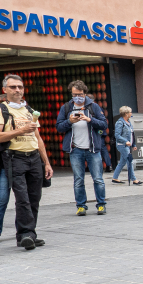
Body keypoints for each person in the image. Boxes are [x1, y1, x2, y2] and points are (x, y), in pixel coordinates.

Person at [0, 74, 53, 249]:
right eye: (13, 87)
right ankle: (25, 235)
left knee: (34, 198)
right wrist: (21, 130)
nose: (17, 90)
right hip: (14, 157)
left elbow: (38, 138)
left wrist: (46, 162)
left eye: (20, 87)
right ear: (4, 90)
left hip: (33, 157)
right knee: (22, 198)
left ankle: (29, 233)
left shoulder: (29, 110)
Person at [56, 80, 108, 215]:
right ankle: (81, 206)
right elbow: (59, 127)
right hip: (75, 149)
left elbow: (104, 124)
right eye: (74, 94)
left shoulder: (94, 107)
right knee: (78, 179)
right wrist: (69, 121)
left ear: (85, 94)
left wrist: (89, 119)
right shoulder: (66, 108)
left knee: (98, 179)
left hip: (93, 149)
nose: (77, 97)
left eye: (80, 94)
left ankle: (101, 204)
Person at [112, 106, 141, 185]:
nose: (131, 113)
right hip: (122, 145)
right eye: (130, 112)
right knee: (129, 161)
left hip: (127, 145)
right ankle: (134, 179)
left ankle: (115, 178)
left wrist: (133, 144)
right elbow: (117, 135)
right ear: (126, 114)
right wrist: (126, 141)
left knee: (122, 162)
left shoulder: (128, 122)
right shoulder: (120, 122)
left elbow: (132, 135)